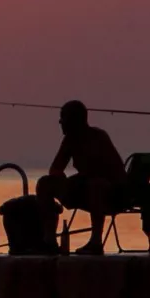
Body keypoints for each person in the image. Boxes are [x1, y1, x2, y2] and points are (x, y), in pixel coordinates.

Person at [36, 100, 127, 254]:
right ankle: (49, 241)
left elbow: (112, 172)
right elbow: (55, 168)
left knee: (96, 185)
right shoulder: (69, 140)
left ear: (74, 121)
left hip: (110, 194)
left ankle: (96, 242)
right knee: (44, 183)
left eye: (63, 119)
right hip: (79, 188)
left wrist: (81, 179)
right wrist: (63, 181)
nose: (60, 123)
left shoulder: (99, 137)